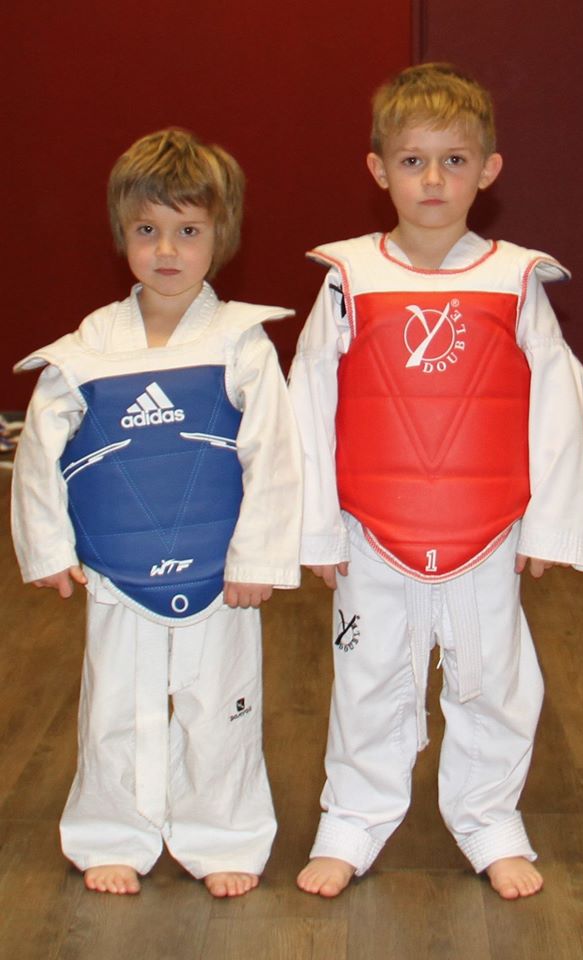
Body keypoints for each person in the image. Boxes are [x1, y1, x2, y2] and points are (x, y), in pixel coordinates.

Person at [288, 63, 583, 901]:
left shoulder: (516, 278)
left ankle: (489, 820)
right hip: (370, 528)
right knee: (368, 680)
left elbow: (559, 402)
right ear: (378, 169)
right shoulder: (348, 276)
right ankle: (352, 821)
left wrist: (549, 525)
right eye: (413, 160)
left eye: (454, 161)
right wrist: (316, 527)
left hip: (486, 526)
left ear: (488, 170)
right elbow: (308, 400)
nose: (433, 180)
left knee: (495, 682)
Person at [11, 129, 302, 898]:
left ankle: (223, 835)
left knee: (221, 704)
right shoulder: (87, 349)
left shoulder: (240, 344)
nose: (166, 250)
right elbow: (39, 453)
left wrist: (259, 560)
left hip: (221, 571)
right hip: (117, 570)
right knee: (115, 703)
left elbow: (275, 455)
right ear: (122, 233)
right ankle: (113, 834)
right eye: (147, 229)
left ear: (220, 236)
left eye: (187, 230)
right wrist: (48, 549)